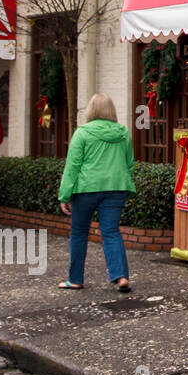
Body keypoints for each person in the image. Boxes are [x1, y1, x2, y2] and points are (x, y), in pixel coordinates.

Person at [57, 93, 136, 292]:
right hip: (116, 188)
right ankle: (121, 277)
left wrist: (64, 195)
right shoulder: (123, 133)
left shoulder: (82, 133)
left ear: (91, 110)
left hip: (85, 189)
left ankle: (75, 279)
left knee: (79, 233)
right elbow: (129, 163)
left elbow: (73, 166)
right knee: (111, 231)